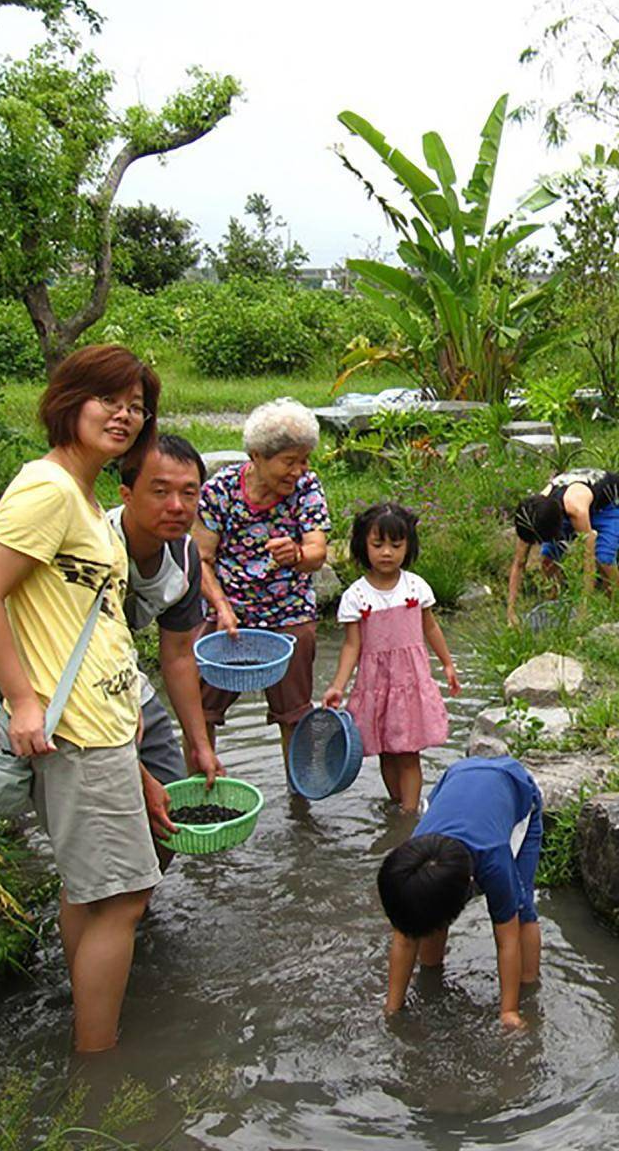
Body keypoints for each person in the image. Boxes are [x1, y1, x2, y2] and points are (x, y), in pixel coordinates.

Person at [0, 344, 159, 1053]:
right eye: (110, 398)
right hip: (73, 726)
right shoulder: (46, 489)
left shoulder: (78, 493)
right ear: (69, 400)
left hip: (99, 718)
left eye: (136, 405)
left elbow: (88, 614)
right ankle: (97, 1064)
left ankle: (84, 1027)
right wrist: (23, 700)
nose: (125, 415)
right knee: (128, 896)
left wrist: (126, 696)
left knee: (89, 890)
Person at [193, 399, 331, 782]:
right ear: (256, 456)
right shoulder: (220, 490)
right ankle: (203, 789)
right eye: (290, 461)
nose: (299, 470)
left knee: (295, 715)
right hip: (229, 614)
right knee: (199, 709)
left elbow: (318, 552)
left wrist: (298, 554)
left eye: (304, 459)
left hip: (289, 612)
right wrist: (221, 606)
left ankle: (300, 799)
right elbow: (202, 558)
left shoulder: (306, 487)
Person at [107, 433, 225, 870]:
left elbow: (177, 654)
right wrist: (134, 773)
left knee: (169, 815)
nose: (176, 505)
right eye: (160, 491)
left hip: (124, 681)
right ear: (127, 493)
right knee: (115, 823)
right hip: (67, 686)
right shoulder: (95, 548)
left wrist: (199, 745)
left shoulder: (186, 557)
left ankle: (137, 913)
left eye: (188, 493)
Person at [377, 756, 543, 1031]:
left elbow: (507, 940)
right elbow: (405, 938)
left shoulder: (494, 861)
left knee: (522, 908)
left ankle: (527, 992)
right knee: (425, 907)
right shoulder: (415, 858)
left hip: (515, 790)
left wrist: (509, 1012)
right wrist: (392, 1008)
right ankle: (432, 971)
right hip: (456, 780)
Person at [323, 503, 460, 813]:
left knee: (408, 751)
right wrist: (338, 686)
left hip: (410, 683)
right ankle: (398, 805)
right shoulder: (356, 596)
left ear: (408, 546)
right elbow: (351, 646)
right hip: (377, 686)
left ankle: (409, 815)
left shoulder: (415, 587)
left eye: (396, 545)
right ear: (363, 546)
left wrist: (448, 664)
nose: (387, 552)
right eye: (378, 544)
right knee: (386, 750)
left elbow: (431, 627)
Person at [506, 468, 619, 626]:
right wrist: (511, 612)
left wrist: (583, 610)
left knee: (603, 558)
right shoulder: (530, 518)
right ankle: (555, 605)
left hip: (612, 505)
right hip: (575, 504)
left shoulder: (575, 509)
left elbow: (589, 561)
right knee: (547, 559)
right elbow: (519, 563)